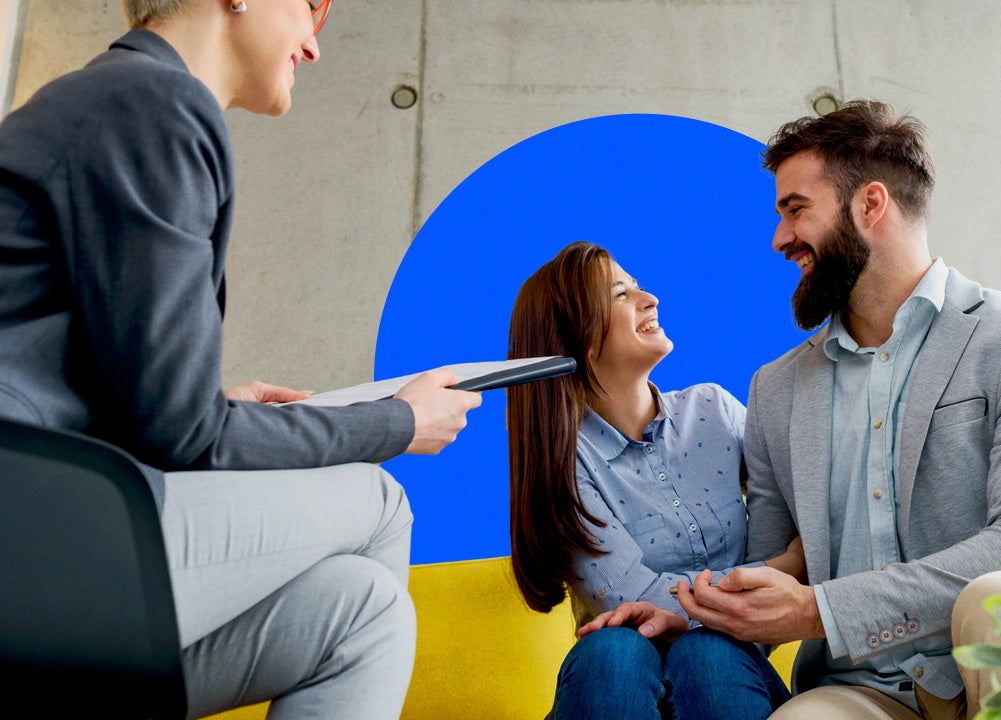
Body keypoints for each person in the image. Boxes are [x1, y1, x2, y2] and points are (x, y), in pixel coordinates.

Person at [0, 1, 482, 717]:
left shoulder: (104, 100)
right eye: (314, 6)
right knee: (380, 499)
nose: (315, 44)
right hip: (32, 534)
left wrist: (217, 405)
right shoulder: (153, 101)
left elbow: (149, 413)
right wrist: (397, 424)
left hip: (51, 520)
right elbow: (182, 436)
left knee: (363, 610)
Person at [672, 100, 1001, 720]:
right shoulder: (775, 389)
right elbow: (771, 574)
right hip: (860, 691)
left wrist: (817, 610)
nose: (780, 239)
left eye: (796, 210)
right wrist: (680, 607)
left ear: (871, 205)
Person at [505, 240, 802, 720]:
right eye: (620, 294)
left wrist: (690, 605)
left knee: (707, 650)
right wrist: (779, 568)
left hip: (725, 673)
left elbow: (803, 520)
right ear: (574, 339)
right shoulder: (564, 460)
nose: (650, 300)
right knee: (615, 649)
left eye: (638, 287)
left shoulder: (713, 410)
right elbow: (629, 599)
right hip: (614, 685)